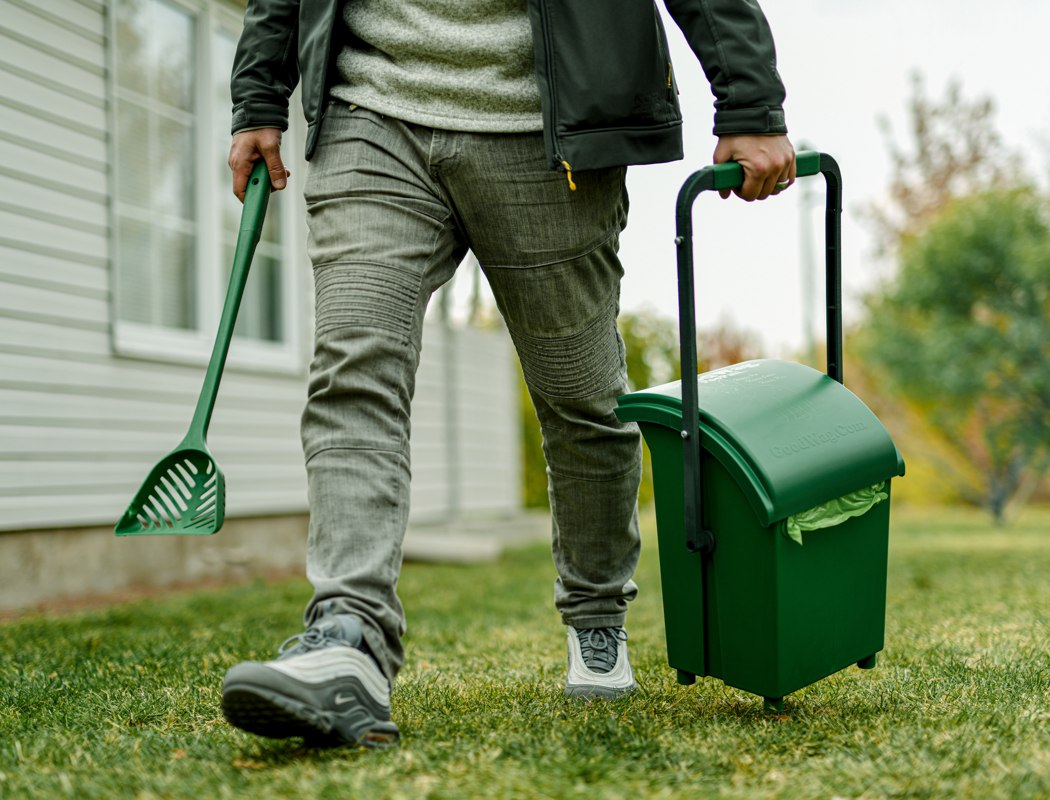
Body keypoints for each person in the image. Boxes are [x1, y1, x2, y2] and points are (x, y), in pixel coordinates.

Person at [220, 0, 795, 749]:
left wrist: (748, 96)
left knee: (582, 398)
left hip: (549, 127)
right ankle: (348, 637)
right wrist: (260, 93)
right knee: (354, 366)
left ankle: (595, 617)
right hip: (369, 111)